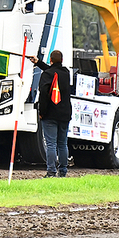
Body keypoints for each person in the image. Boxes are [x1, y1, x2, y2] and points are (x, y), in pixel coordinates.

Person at [29, 50, 72, 178]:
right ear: (62, 60)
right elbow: (54, 72)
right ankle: (63, 171)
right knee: (62, 143)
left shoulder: (46, 75)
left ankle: (51, 171)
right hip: (65, 114)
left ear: (51, 60)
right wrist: (39, 63)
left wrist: (42, 112)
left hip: (50, 115)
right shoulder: (66, 73)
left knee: (51, 144)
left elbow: (44, 96)